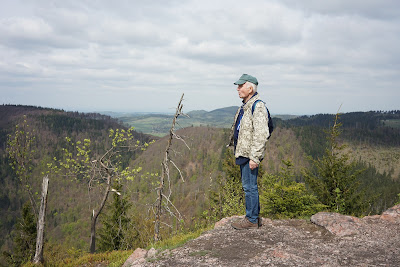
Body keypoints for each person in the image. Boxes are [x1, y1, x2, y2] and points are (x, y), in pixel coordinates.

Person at [228, 74, 271, 230]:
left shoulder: (257, 106)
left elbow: (261, 134)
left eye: (241, 86)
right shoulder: (245, 106)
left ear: (250, 88)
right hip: (243, 152)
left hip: (249, 155)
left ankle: (252, 219)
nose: (238, 89)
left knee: (250, 187)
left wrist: (255, 157)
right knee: (249, 186)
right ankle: (253, 216)